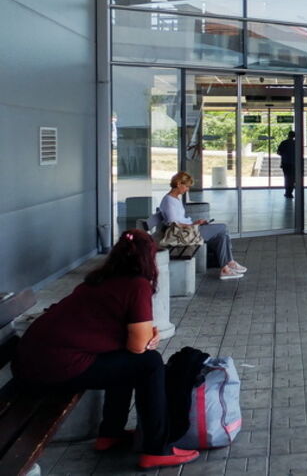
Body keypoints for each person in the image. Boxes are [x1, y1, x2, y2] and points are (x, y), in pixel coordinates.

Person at [13, 230, 200, 469]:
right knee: (149, 363)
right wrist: (148, 336)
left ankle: (110, 434)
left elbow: (128, 339)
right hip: (54, 367)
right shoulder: (138, 285)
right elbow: (138, 347)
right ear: (149, 259)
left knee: (126, 362)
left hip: (31, 363)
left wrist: (145, 333)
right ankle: (157, 449)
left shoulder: (97, 280)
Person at [160, 172, 246, 280]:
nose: (187, 189)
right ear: (178, 184)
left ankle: (226, 268)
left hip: (189, 230)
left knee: (222, 237)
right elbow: (173, 224)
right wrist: (193, 225)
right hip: (184, 234)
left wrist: (195, 223)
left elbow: (178, 220)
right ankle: (229, 263)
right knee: (223, 227)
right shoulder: (169, 201)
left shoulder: (175, 199)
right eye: (186, 186)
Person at [276, 130, 296, 199]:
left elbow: (278, 152)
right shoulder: (296, 143)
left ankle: (287, 192)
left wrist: (284, 155)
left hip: (285, 163)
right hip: (294, 163)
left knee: (287, 178)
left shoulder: (284, 143)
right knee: (292, 178)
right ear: (294, 136)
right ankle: (290, 192)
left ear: (288, 135)